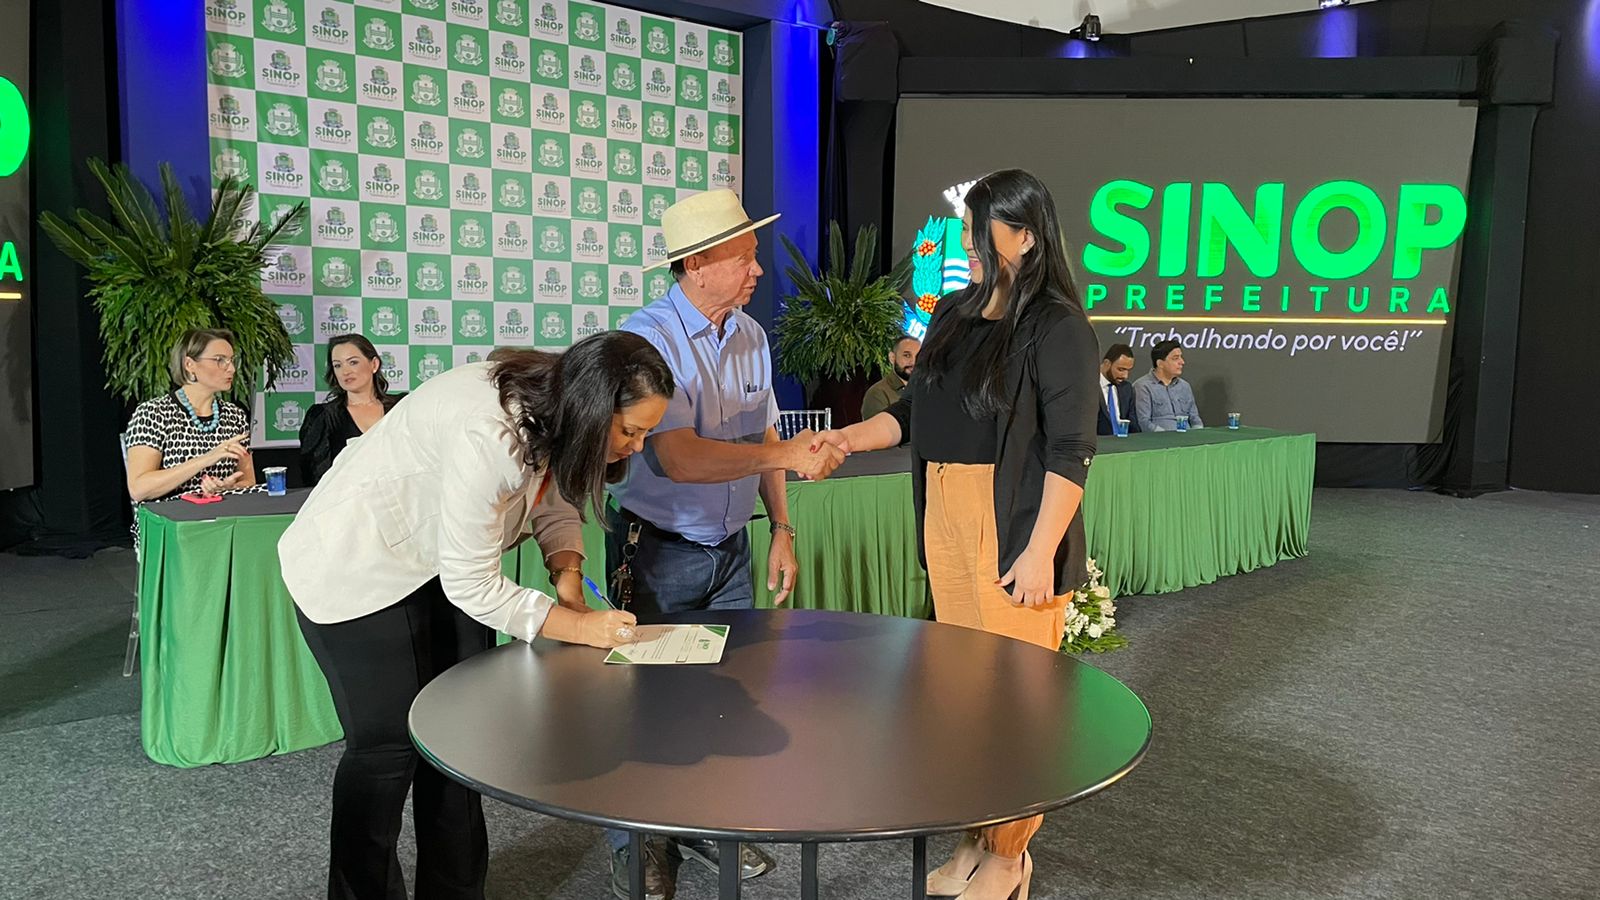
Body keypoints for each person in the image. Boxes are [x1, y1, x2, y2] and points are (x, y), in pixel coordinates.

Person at [277, 333, 666, 900]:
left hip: (436, 562)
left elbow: (553, 493)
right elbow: (473, 584)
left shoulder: (554, 408)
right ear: (590, 408)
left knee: (458, 739)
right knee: (387, 751)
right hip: (357, 566)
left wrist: (567, 572)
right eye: (630, 431)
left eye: (647, 432)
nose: (637, 446)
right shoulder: (492, 433)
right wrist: (580, 626)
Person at [812, 169, 1098, 900]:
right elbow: (914, 412)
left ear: (1025, 236)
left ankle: (1010, 857)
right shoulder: (952, 311)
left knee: (1016, 701)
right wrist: (846, 438)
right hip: (944, 512)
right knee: (963, 695)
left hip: (1013, 523)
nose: (965, 241)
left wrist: (1039, 551)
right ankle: (976, 836)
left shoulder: (1058, 325)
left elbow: (1071, 451)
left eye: (979, 227)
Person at [605, 188, 844, 900]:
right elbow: (679, 458)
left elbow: (761, 435)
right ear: (698, 264)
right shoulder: (646, 339)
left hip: (733, 550)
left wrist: (782, 527)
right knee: (645, 700)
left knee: (726, 695)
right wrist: (787, 456)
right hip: (658, 551)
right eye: (744, 257)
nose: (757, 270)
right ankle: (636, 842)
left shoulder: (750, 335)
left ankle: (698, 820)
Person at [124, 328, 255, 502]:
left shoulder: (234, 416)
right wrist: (206, 459)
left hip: (221, 513)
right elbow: (139, 489)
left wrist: (229, 488)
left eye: (231, 360)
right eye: (220, 360)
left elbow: (248, 481)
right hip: (170, 516)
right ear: (189, 364)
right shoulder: (153, 414)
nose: (231, 369)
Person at [299, 334, 405, 485]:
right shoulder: (323, 417)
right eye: (337, 365)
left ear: (374, 364)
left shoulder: (401, 407)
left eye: (353, 362)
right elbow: (315, 478)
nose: (345, 371)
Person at [1133, 339, 1203, 431]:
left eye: (1181, 357)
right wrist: (1166, 436)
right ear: (1160, 364)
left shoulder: (1185, 386)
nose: (1182, 362)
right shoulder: (1143, 386)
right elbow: (1144, 422)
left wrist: (1198, 433)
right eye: (1175, 358)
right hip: (1159, 437)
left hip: (1188, 437)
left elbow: (1195, 419)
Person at [861, 333, 921, 420]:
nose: (913, 362)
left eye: (918, 356)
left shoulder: (925, 389)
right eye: (907, 355)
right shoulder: (878, 393)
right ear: (892, 357)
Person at [1096, 342, 1139, 436]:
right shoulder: (1088, 387)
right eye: (1121, 369)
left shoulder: (1127, 389)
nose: (1125, 376)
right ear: (1107, 363)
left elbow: (1133, 426)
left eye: (1128, 370)